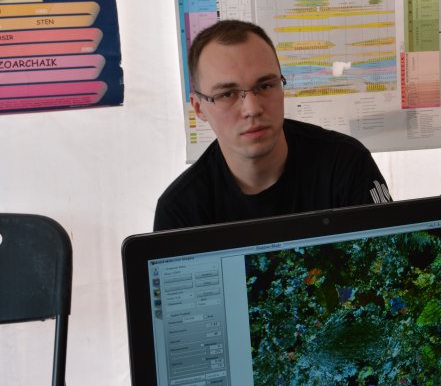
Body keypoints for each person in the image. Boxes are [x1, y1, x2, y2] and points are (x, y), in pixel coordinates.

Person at [154, 20, 391, 231]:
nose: (252, 108)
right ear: (198, 108)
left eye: (265, 86)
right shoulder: (179, 212)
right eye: (227, 94)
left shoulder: (347, 164)